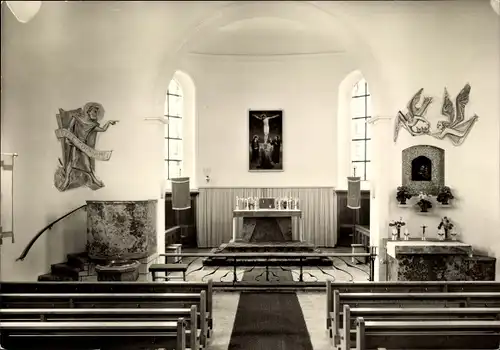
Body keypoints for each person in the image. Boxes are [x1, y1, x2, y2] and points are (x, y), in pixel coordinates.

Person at [59, 102, 118, 190]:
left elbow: (103, 129)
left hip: (83, 147)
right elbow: (69, 130)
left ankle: (93, 179)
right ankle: (66, 181)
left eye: (96, 112)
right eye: (94, 111)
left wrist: (108, 122)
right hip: (75, 145)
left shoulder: (92, 125)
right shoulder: (76, 118)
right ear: (88, 111)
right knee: (71, 163)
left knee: (87, 164)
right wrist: (69, 140)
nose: (95, 114)